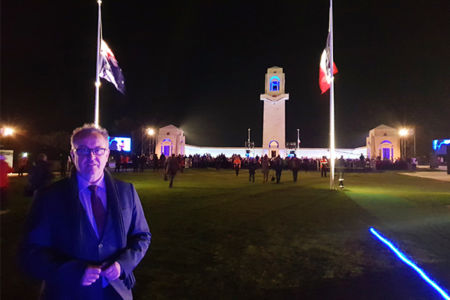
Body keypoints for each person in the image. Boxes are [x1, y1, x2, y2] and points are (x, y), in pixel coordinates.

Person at [20, 124, 151, 299]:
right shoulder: (49, 197)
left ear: (107, 154)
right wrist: (73, 271)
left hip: (117, 292)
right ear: (72, 155)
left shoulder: (127, 191)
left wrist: (123, 265)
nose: (91, 156)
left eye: (98, 150)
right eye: (82, 150)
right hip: (68, 292)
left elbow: (142, 236)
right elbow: (31, 252)